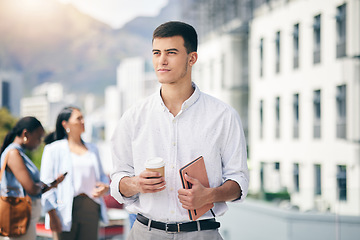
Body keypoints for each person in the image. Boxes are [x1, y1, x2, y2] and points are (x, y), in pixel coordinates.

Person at [110, 21, 249, 239]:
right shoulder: (133, 116)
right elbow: (118, 179)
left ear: (192, 58)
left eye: (171, 52)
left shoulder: (223, 116)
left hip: (202, 233)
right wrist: (136, 183)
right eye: (156, 52)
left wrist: (209, 195)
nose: (161, 61)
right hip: (145, 233)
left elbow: (239, 181)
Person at [40, 106, 109, 240]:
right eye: (79, 118)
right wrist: (52, 214)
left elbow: (102, 177)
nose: (83, 121)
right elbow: (45, 184)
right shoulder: (53, 149)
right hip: (64, 209)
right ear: (65, 124)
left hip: (91, 207)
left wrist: (105, 187)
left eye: (83, 118)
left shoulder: (93, 149)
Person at [0, 117, 64, 240]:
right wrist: (46, 185)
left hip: (23, 217)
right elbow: (31, 189)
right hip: (19, 218)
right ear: (25, 134)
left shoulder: (19, 153)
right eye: (38, 137)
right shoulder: (13, 153)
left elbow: (34, 188)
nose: (39, 142)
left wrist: (50, 185)